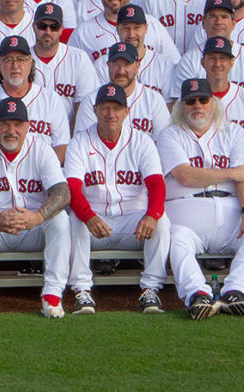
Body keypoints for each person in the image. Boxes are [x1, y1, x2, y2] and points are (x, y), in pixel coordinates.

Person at [0, 99, 73, 319]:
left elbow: (63, 193)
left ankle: (52, 294)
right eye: (5, 124)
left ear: (28, 125)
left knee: (61, 220)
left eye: (17, 124)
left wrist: (38, 217)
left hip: (33, 228)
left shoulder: (41, 149)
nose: (11, 130)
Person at [158, 80, 244, 317]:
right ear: (181, 107)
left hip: (229, 206)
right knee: (176, 241)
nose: (197, 105)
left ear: (214, 103)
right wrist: (230, 172)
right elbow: (185, 176)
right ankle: (197, 294)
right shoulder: (170, 134)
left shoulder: (233, 132)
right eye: (190, 101)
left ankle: (236, 292)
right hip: (186, 209)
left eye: (203, 99)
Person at [62, 86, 168, 315]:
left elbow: (157, 184)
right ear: (95, 110)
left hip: (132, 223)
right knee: (74, 220)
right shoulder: (79, 142)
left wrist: (152, 215)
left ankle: (151, 288)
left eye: (117, 108)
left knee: (163, 221)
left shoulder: (142, 141)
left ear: (126, 112)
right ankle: (82, 290)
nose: (111, 113)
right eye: (106, 108)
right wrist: (88, 216)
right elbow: (72, 188)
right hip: (94, 222)